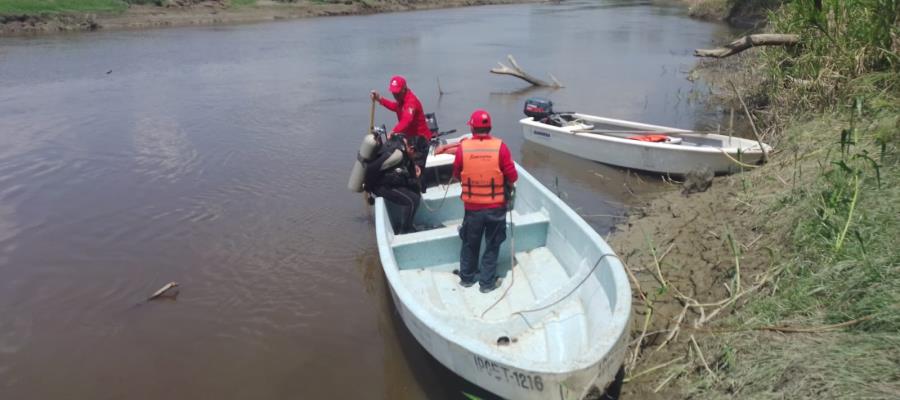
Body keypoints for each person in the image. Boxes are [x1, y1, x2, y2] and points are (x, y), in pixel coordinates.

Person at [453, 109, 518, 293]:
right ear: (489, 128)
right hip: (496, 208)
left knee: (469, 243)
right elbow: (512, 176)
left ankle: (466, 279)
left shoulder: (463, 148)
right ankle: (486, 284)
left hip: (472, 209)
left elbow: (457, 173)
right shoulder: (501, 147)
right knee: (492, 245)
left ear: (472, 128)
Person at [370, 75, 432, 183]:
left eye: (397, 92)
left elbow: (407, 120)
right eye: (393, 93)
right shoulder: (401, 100)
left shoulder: (411, 101)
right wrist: (380, 98)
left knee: (417, 172)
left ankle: (420, 192)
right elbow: (395, 107)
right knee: (408, 169)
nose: (395, 95)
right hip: (409, 139)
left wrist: (394, 131)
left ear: (404, 89)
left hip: (420, 141)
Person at [364, 134, 421, 234]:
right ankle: (404, 231)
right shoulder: (397, 155)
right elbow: (371, 169)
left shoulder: (403, 142)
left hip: (389, 181)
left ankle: (408, 225)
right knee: (411, 202)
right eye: (417, 155)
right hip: (379, 185)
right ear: (411, 149)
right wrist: (368, 190)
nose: (416, 158)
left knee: (416, 196)